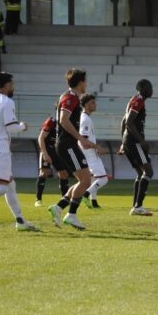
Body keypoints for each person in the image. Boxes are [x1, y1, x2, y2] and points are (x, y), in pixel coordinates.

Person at [0, 72, 38, 231]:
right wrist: (23, 127)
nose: (13, 87)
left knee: (10, 183)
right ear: (6, 86)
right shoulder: (6, 101)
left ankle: (20, 221)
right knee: (3, 187)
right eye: (12, 84)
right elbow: (11, 127)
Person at [47, 69, 102, 230]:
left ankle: (58, 207)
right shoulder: (70, 98)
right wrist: (80, 138)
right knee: (86, 180)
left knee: (84, 180)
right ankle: (71, 215)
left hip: (68, 144)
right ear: (80, 83)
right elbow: (64, 120)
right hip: (67, 144)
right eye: (86, 81)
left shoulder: (69, 97)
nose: (87, 84)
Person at [118, 79, 155, 216]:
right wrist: (141, 141)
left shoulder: (135, 100)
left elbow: (123, 121)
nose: (152, 89)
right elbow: (128, 122)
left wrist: (122, 142)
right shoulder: (138, 100)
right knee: (148, 171)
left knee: (140, 173)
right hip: (134, 142)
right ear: (143, 88)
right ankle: (138, 206)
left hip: (129, 141)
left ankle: (136, 206)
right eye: (150, 87)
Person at [78, 94, 109, 208]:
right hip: (89, 154)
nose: (95, 104)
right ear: (86, 105)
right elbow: (84, 140)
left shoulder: (85, 117)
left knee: (94, 179)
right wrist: (98, 148)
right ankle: (85, 195)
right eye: (92, 102)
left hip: (88, 153)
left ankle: (94, 202)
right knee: (103, 179)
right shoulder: (85, 119)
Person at [35, 112, 69, 207]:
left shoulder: (67, 121)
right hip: (47, 149)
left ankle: (64, 199)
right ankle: (38, 199)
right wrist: (45, 154)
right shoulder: (52, 121)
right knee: (44, 173)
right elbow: (41, 138)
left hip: (58, 151)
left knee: (64, 174)